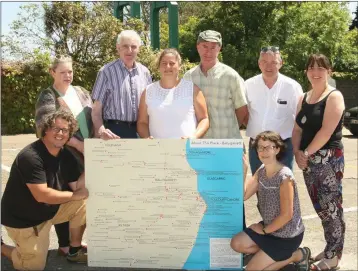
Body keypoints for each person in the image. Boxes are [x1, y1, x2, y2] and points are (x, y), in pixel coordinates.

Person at [1, 109, 88, 270]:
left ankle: (74, 250)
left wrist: (89, 165)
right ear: (45, 130)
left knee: (83, 201)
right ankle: (2, 247)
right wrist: (75, 195)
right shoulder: (31, 156)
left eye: (65, 130)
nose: (61, 133)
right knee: (33, 267)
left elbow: (78, 188)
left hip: (48, 212)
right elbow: (42, 195)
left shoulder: (66, 155)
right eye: (56, 128)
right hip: (24, 220)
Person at [183, 29, 249, 227]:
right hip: (201, 150)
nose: (208, 51)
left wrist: (227, 132)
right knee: (206, 199)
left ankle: (238, 248)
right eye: (204, 46)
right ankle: (210, 246)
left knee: (232, 197)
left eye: (213, 47)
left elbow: (242, 112)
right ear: (198, 47)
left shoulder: (231, 75)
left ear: (219, 49)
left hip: (229, 147)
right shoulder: (188, 77)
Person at [35, 55, 93, 256]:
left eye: (70, 71)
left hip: (87, 152)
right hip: (64, 155)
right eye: (62, 72)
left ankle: (76, 240)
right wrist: (77, 144)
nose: (68, 75)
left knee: (84, 196)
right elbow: (46, 126)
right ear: (52, 72)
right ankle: (65, 244)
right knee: (69, 197)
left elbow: (93, 117)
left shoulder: (81, 91)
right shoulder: (48, 95)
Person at [293, 54, 345, 270]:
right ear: (306, 71)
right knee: (321, 208)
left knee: (332, 207)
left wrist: (306, 153)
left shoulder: (334, 96)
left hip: (328, 159)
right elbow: (297, 128)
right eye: (312, 68)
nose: (316, 72)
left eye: (321, 68)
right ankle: (331, 247)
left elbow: (326, 131)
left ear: (329, 71)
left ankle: (333, 257)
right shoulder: (303, 98)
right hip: (309, 159)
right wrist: (297, 152)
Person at [230, 131, 310, 271]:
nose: (263, 151)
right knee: (236, 243)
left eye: (268, 147)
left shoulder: (285, 176)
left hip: (287, 236)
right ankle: (268, 255)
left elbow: (287, 215)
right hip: (270, 229)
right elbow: (243, 196)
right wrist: (244, 171)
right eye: (260, 147)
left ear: (277, 149)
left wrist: (264, 231)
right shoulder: (261, 171)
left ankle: (296, 255)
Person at [245, 46, 303, 175]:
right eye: (264, 62)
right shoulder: (248, 85)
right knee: (259, 184)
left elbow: (299, 120)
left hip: (282, 146)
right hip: (256, 146)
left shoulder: (292, 87)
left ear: (281, 63)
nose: (269, 66)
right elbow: (243, 113)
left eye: (273, 62)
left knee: (283, 184)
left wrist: (298, 148)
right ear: (259, 64)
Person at [91, 29, 152, 139]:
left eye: (133, 46)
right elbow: (96, 110)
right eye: (125, 46)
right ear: (118, 48)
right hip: (114, 131)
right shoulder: (106, 72)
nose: (129, 50)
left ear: (139, 49)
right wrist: (101, 131)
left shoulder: (145, 73)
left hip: (140, 132)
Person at [137, 48, 209, 139]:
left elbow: (204, 119)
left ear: (179, 66)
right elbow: (142, 122)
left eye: (172, 63)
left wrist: (194, 137)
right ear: (158, 66)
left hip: (186, 149)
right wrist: (146, 138)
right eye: (164, 63)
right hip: (157, 150)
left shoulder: (193, 89)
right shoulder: (148, 91)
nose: (167, 67)